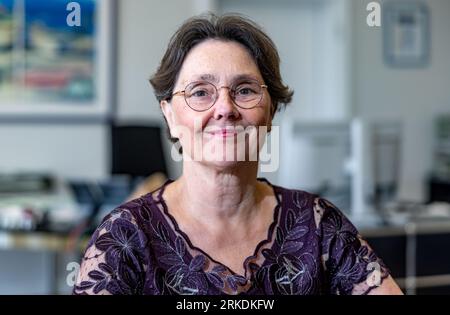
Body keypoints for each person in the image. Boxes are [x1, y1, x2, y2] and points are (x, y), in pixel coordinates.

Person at [73, 14, 402, 295]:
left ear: (270, 111)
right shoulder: (125, 236)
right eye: (201, 92)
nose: (225, 109)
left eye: (245, 89)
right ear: (170, 116)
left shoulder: (318, 226)